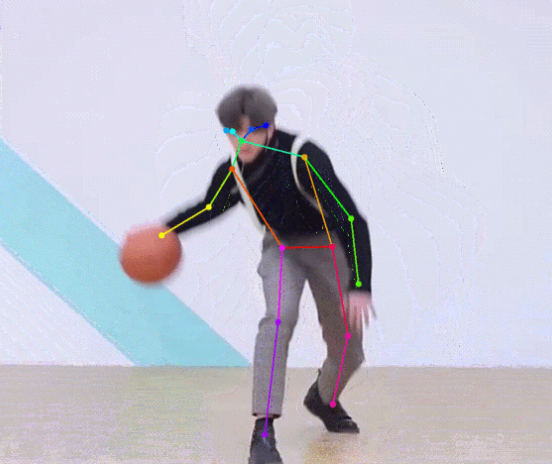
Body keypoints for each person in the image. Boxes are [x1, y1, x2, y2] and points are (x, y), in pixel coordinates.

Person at [162, 85, 374, 464]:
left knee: (349, 347)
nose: (240, 141)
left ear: (270, 128)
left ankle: (323, 399)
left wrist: (360, 284)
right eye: (232, 133)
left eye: (250, 132)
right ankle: (263, 431)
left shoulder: (303, 158)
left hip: (327, 247)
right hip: (282, 249)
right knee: (278, 319)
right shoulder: (234, 171)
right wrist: (163, 232)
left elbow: (351, 219)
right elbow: (209, 207)